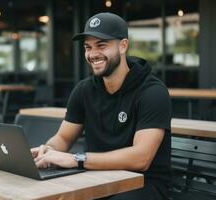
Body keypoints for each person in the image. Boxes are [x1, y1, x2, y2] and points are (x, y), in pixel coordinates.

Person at [31, 12, 172, 200]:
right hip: (96, 178)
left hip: (143, 183)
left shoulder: (152, 92)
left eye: (101, 45)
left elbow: (141, 158)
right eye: (87, 47)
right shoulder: (84, 90)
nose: (92, 54)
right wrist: (47, 149)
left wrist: (76, 159)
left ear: (123, 46)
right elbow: (63, 138)